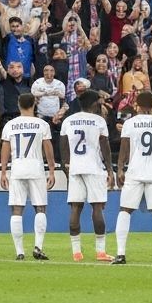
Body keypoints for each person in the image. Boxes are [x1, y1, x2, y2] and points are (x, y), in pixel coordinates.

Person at [112, 90, 152, 265]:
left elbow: (124, 148)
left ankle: (120, 253)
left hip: (135, 171)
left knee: (125, 210)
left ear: (137, 105)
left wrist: (120, 169)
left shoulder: (130, 123)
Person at [59, 89, 115, 262]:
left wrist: (66, 167)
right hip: (94, 167)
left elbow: (63, 146)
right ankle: (100, 252)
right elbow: (104, 145)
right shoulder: (99, 121)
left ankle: (76, 252)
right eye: (98, 102)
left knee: (75, 208)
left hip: (75, 167)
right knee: (97, 207)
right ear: (93, 103)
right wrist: (110, 170)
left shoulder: (68, 120)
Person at [0, 91, 56, 261]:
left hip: (17, 169)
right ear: (34, 105)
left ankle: (19, 252)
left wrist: (3, 172)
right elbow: (48, 148)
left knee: (17, 209)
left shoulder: (10, 125)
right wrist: (51, 170)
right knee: (40, 207)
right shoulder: (42, 124)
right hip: (36, 168)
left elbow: (5, 149)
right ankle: (38, 246)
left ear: (19, 105)